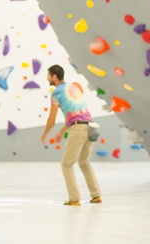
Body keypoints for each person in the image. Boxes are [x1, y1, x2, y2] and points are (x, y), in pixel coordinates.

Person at [41, 64, 101, 206]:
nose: (47, 78)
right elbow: (77, 115)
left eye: (48, 75)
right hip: (91, 127)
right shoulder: (73, 88)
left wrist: (44, 134)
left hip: (78, 130)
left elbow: (51, 119)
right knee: (84, 163)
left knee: (66, 165)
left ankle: (74, 199)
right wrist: (62, 132)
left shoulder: (56, 93)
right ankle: (96, 195)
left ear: (54, 77)